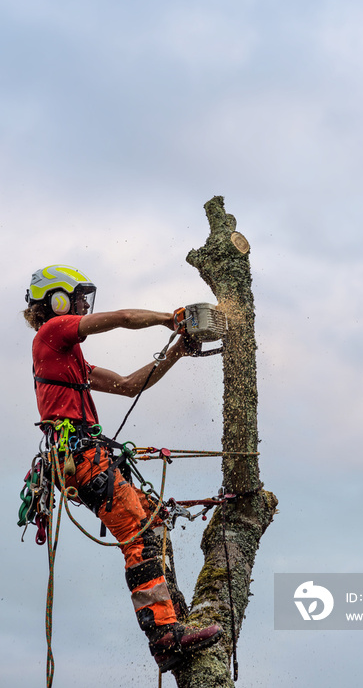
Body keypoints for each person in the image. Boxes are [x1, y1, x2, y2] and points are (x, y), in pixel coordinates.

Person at [24, 264, 222, 674]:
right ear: (56, 301)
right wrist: (170, 318)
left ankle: (175, 617)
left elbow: (131, 385)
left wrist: (174, 353)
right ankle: (164, 635)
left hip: (89, 455)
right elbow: (123, 319)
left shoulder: (72, 362)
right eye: (76, 297)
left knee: (154, 522)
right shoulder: (51, 334)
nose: (83, 305)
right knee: (139, 532)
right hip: (82, 455)